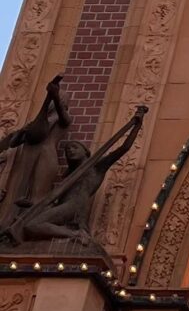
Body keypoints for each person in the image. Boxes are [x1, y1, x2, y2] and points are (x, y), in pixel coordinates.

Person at [11, 105, 147, 255]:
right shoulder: (69, 177)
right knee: (29, 225)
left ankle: (76, 234)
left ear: (85, 151)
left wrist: (136, 125)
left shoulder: (96, 168)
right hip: (64, 205)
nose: (70, 150)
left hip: (75, 205)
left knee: (32, 225)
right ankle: (70, 234)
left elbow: (124, 148)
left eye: (74, 147)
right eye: (67, 150)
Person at [0, 75, 71, 213]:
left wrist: (54, 96)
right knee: (18, 194)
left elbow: (63, 117)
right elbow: (13, 143)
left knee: (38, 195)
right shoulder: (37, 122)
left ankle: (32, 219)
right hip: (28, 156)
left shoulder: (64, 118)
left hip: (45, 155)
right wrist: (22, 131)